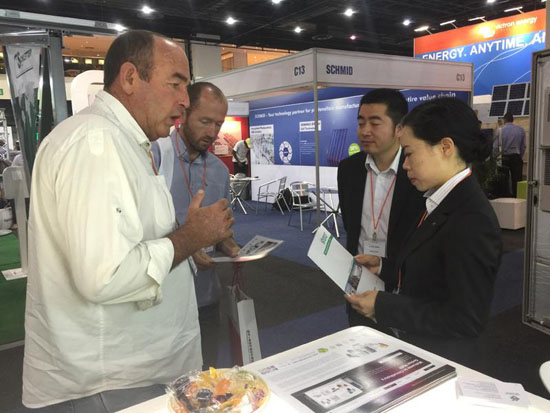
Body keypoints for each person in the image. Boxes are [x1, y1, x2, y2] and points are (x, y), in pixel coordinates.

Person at [22, 30, 234, 411]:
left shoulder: (120, 141)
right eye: (175, 84)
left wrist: (182, 235)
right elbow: (106, 274)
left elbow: (126, 241)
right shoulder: (96, 144)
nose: (184, 100)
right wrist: (192, 236)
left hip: (128, 372)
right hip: (111, 382)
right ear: (131, 77)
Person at [346, 97, 502, 365]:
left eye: (409, 153)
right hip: (422, 351)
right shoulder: (440, 200)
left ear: (445, 147)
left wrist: (383, 306)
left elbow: (464, 319)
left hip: (444, 361)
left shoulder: (472, 220)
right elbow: (433, 273)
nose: (405, 165)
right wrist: (384, 267)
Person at [152, 82, 240, 370]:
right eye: (205, 121)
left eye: (218, 124)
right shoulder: (155, 157)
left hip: (205, 298)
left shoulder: (219, 171)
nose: (213, 132)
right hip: (162, 302)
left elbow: (222, 231)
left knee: (206, 377)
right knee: (164, 383)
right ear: (185, 113)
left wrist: (229, 246)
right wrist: (187, 244)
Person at [337, 89, 424, 328]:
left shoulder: (417, 171)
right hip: (360, 287)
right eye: (361, 123)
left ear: (399, 129)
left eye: (375, 123)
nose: (365, 131)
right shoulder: (348, 169)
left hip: (406, 292)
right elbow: (351, 226)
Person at [493, 112, 526, 197]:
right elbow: (523, 146)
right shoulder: (520, 130)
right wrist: (519, 156)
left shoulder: (500, 131)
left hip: (504, 157)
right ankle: (517, 196)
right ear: (513, 120)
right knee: (517, 179)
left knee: (504, 179)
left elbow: (495, 147)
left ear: (504, 120)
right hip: (516, 157)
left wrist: (496, 158)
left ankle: (505, 196)